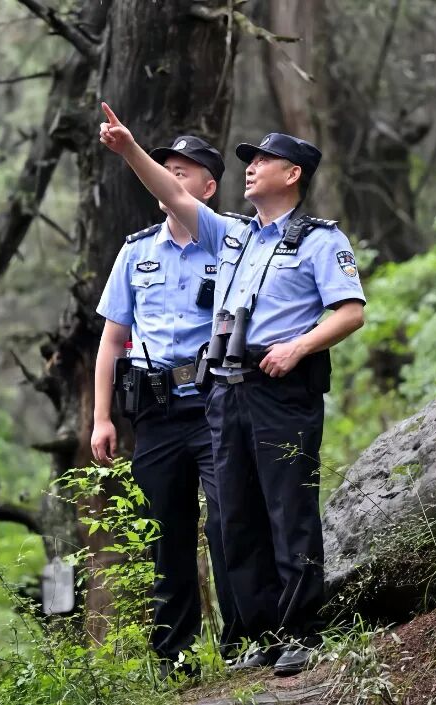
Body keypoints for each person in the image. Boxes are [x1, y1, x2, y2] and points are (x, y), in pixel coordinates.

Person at [98, 103, 366, 676]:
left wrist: (298, 347)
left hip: (282, 384)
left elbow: (350, 313)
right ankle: (258, 635)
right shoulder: (236, 237)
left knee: (287, 508)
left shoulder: (319, 240)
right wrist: (128, 151)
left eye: (264, 160)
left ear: (292, 174)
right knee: (234, 518)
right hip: (226, 387)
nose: (251, 167)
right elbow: (174, 198)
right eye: (248, 160)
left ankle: (302, 631)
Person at [91, 135, 239, 679]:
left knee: (227, 521)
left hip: (213, 404)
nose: (170, 178)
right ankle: (175, 659)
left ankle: (242, 639)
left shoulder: (228, 242)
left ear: (208, 186)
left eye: (182, 171)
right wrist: (102, 416)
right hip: (154, 412)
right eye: (165, 168)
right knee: (166, 533)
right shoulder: (136, 252)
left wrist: (131, 151)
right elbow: (112, 339)